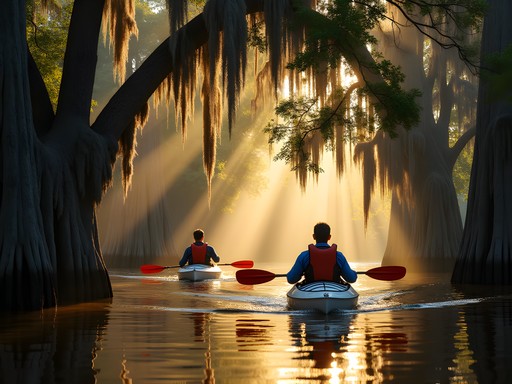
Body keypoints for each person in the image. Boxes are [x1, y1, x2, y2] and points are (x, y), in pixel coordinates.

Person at [287, 222, 357, 284]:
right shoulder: (339, 256)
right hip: (335, 292)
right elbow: (351, 279)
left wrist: (301, 273)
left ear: (314, 236)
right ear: (329, 237)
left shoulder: (304, 256)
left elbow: (291, 279)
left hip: (310, 291)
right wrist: (354, 273)